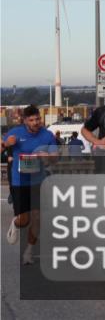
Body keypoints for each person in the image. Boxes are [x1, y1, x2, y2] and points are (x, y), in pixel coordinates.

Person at [2, 105, 59, 264]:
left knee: (37, 217)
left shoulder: (47, 135)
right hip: (19, 181)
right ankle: (15, 222)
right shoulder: (15, 133)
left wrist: (47, 155)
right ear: (25, 121)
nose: (36, 122)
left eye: (38, 119)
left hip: (37, 181)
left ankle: (29, 251)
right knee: (24, 221)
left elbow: (55, 157)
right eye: (32, 120)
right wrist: (6, 145)